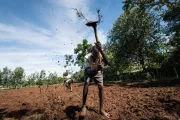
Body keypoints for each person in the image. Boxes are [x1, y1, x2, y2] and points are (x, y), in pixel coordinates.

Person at [80, 41, 110, 118]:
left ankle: (101, 110)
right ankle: (83, 106)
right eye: (94, 55)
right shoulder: (87, 58)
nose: (96, 57)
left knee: (101, 87)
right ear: (91, 53)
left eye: (97, 55)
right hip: (89, 71)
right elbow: (89, 72)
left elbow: (107, 62)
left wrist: (101, 50)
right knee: (86, 84)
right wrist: (96, 69)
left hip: (98, 71)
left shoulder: (100, 53)